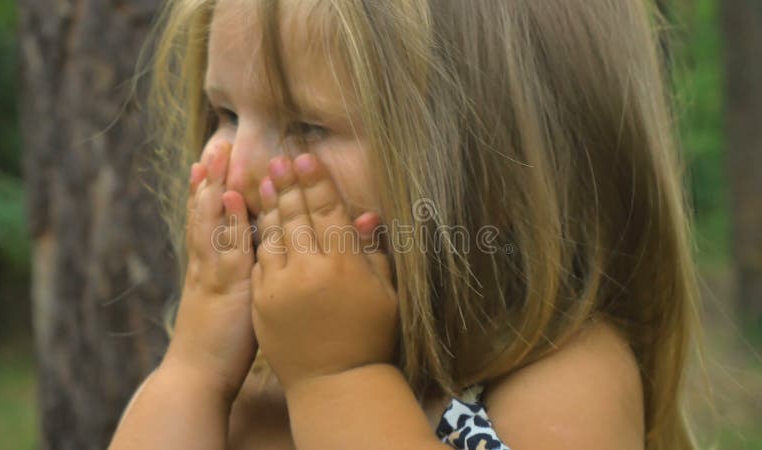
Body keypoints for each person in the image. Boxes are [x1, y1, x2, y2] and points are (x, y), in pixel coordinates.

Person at [109, 0, 705, 449]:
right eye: (227, 113)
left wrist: (338, 379)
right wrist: (193, 372)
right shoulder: (237, 383)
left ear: (498, 173)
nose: (237, 170)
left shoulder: (566, 378)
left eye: (308, 125)